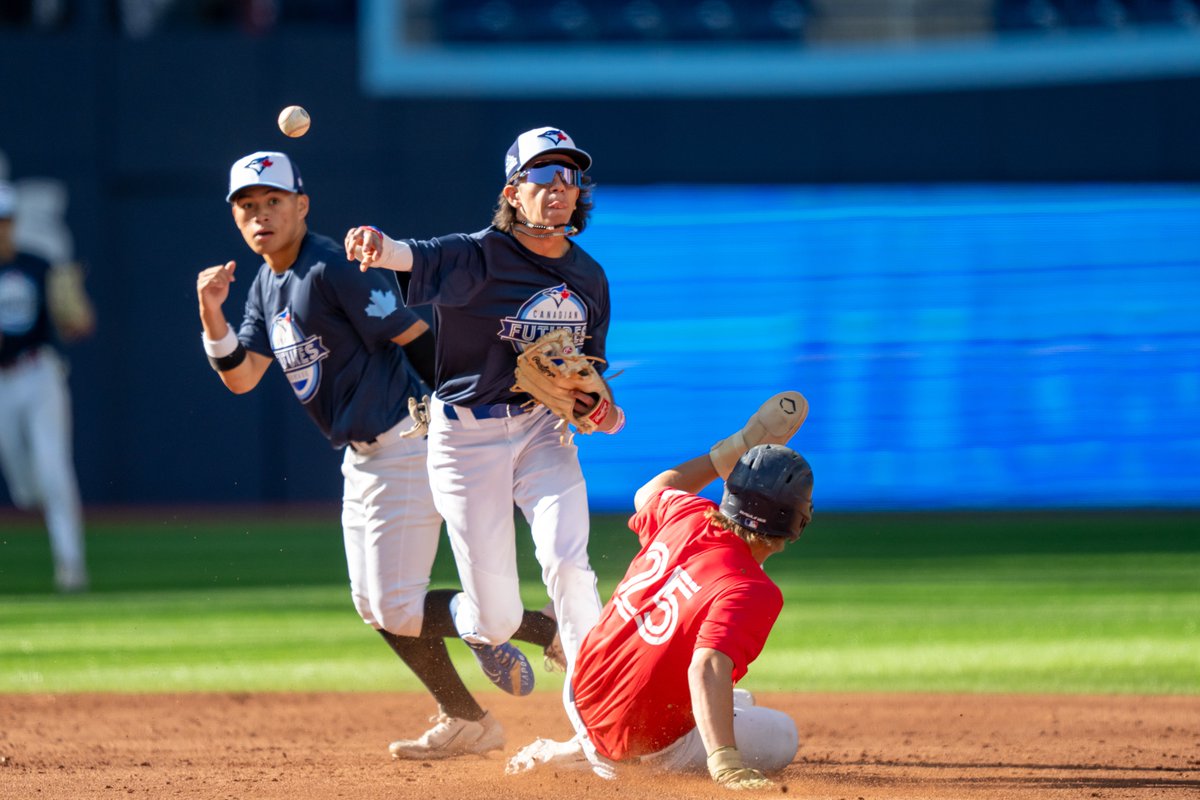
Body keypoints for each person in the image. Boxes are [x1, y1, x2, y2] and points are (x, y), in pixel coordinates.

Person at [196, 151, 558, 759]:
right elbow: (242, 375)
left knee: (396, 604)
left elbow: (416, 337)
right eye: (248, 206)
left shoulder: (332, 267)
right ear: (236, 218)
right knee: (374, 606)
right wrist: (211, 314)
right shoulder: (265, 283)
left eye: (273, 202)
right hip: (363, 457)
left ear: (301, 206)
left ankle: (540, 628)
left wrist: (467, 411)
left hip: (409, 441)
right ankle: (467, 716)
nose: (261, 215)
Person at [343, 126, 622, 677]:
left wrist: (602, 410)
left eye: (569, 176)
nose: (559, 187)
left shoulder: (589, 276)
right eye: (543, 174)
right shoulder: (476, 257)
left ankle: (603, 701)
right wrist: (378, 244)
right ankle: (480, 631)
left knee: (568, 563)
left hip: (543, 431)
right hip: (466, 440)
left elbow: (594, 379)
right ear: (513, 192)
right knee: (497, 616)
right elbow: (407, 255)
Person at [507, 396, 811, 790]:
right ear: (797, 522)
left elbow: (654, 488)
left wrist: (737, 444)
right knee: (782, 733)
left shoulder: (685, 515)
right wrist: (725, 762)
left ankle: (578, 746)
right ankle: (586, 759)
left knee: (739, 702)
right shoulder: (752, 589)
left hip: (581, 691)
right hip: (640, 750)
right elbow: (706, 666)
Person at [0, 178, 94, 593]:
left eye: (4, 220)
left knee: (55, 471)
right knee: (24, 487)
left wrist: (73, 308)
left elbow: (77, 323)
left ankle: (71, 568)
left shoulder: (36, 264)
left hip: (39, 373)